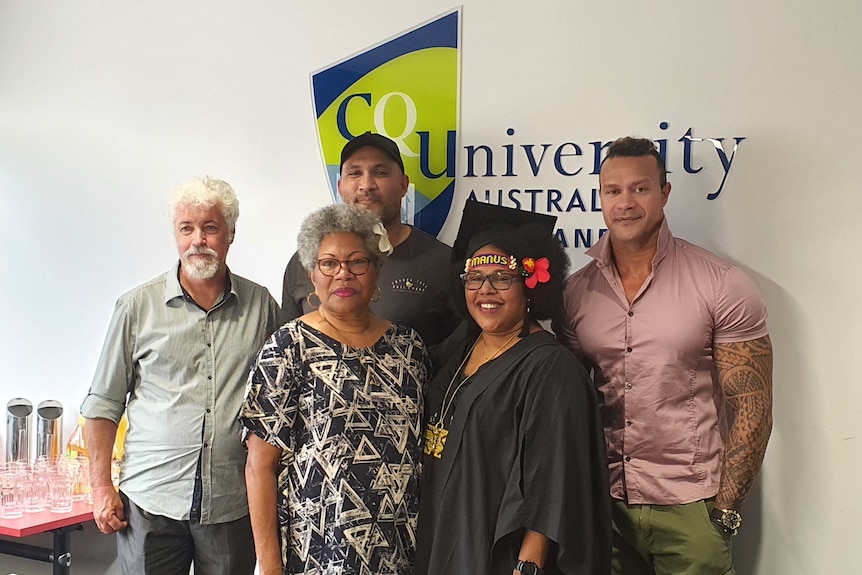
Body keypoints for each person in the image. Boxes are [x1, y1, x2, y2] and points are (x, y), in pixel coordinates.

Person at [556, 137, 774, 575]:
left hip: (690, 507)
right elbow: (571, 401)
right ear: (600, 197)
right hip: (607, 507)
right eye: (613, 191)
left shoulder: (720, 283)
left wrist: (724, 513)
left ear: (665, 193)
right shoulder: (576, 291)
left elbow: (753, 406)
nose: (625, 203)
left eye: (640, 188)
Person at [80, 176, 279, 575]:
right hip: (151, 500)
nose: (197, 240)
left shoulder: (262, 307)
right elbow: (103, 404)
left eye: (210, 227)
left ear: (231, 234)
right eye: (186, 228)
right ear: (175, 233)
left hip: (230, 502)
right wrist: (101, 486)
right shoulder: (137, 307)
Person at [415, 200, 612, 575]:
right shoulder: (460, 346)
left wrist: (528, 564)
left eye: (502, 278)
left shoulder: (550, 368)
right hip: (443, 532)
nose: (485, 290)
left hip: (497, 549)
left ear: (529, 286)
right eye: (475, 278)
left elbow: (555, 478)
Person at [242, 203, 430, 575]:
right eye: (329, 263)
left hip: (401, 552)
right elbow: (259, 467)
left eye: (358, 262)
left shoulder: (409, 348)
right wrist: (270, 565)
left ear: (377, 270)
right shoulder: (288, 348)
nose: (344, 274)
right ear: (312, 273)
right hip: (320, 554)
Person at [280, 132, 458, 346]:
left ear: (403, 185)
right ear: (340, 187)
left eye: (380, 172)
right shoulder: (305, 260)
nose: (366, 185)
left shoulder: (443, 262)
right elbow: (287, 345)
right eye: (355, 173)